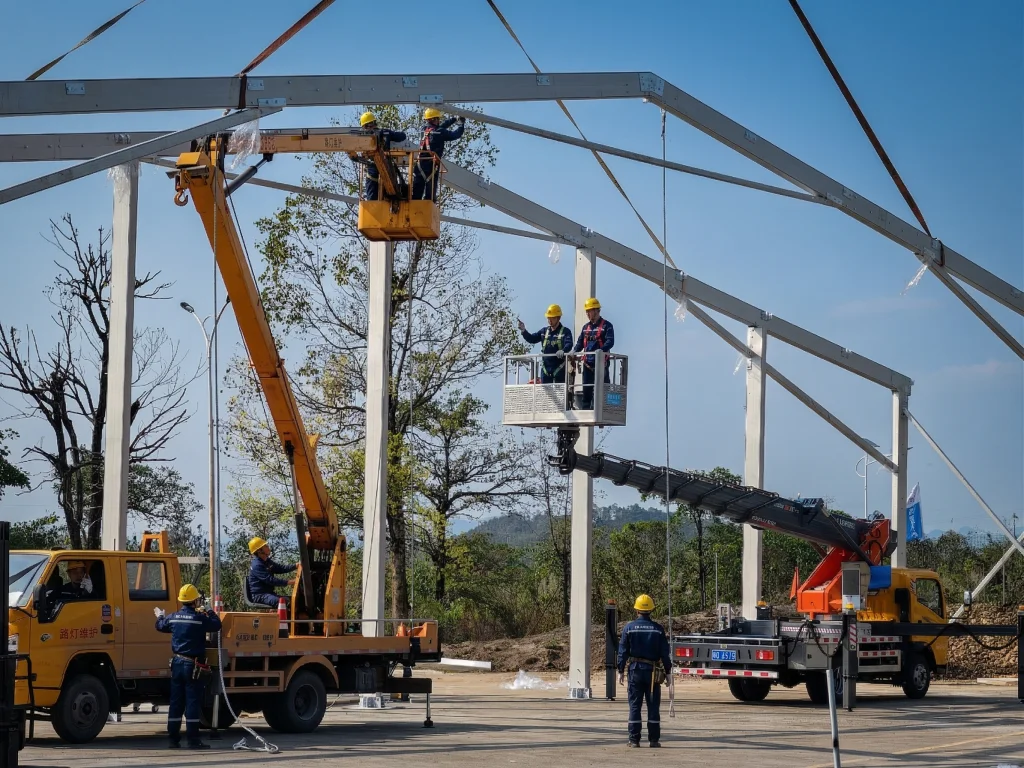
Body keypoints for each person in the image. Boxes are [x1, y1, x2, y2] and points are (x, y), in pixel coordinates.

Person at [155, 584, 222, 750]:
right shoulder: (199, 619)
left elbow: (160, 626)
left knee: (176, 702)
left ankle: (173, 739)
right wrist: (209, 609)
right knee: (192, 701)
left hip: (177, 663)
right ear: (195, 601)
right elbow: (216, 625)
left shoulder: (173, 617)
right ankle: (193, 740)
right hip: (192, 664)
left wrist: (160, 616)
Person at [617, 594, 672, 749]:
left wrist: (620, 670)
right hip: (653, 673)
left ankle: (634, 740)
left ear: (637, 610)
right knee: (653, 706)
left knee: (635, 706)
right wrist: (668, 673)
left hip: (635, 671)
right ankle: (654, 740)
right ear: (651, 610)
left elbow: (622, 651)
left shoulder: (629, 628)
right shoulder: (658, 630)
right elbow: (664, 654)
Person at [412, 107, 466, 201]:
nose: (439, 120)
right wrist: (461, 124)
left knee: (416, 193)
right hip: (431, 166)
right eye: (438, 118)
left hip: (419, 164)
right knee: (430, 196)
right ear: (434, 119)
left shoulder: (424, 130)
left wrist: (453, 119)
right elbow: (455, 134)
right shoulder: (440, 132)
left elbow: (440, 127)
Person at [572, 297, 614, 410]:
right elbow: (580, 342)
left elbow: (610, 341)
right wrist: (574, 352)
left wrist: (602, 350)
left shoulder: (606, 326)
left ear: (597, 311)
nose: (587, 313)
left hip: (601, 364)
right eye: (587, 311)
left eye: (589, 311)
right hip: (588, 364)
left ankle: (605, 408)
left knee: (603, 388)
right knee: (587, 390)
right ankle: (586, 409)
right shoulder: (586, 328)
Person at [357, 111, 407, 202]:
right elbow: (402, 136)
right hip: (387, 168)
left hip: (373, 169)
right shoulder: (385, 132)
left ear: (365, 126)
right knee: (388, 197)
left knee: (372, 198)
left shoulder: (364, 137)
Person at [517, 304, 573, 384]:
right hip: (546, 369)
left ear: (558, 318)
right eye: (548, 318)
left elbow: (569, 344)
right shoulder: (544, 332)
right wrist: (523, 331)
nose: (550, 320)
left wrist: (563, 351)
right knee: (546, 395)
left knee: (560, 394)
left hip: (559, 368)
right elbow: (532, 339)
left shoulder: (565, 332)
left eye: (552, 318)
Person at [247, 537, 298, 608]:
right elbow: (270, 580)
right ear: (259, 551)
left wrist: (296, 565)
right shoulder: (257, 565)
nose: (268, 547)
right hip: (260, 595)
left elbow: (281, 568)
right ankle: (281, 618)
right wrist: (290, 582)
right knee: (282, 602)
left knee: (295, 600)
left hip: (269, 594)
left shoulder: (266, 561)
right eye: (265, 546)